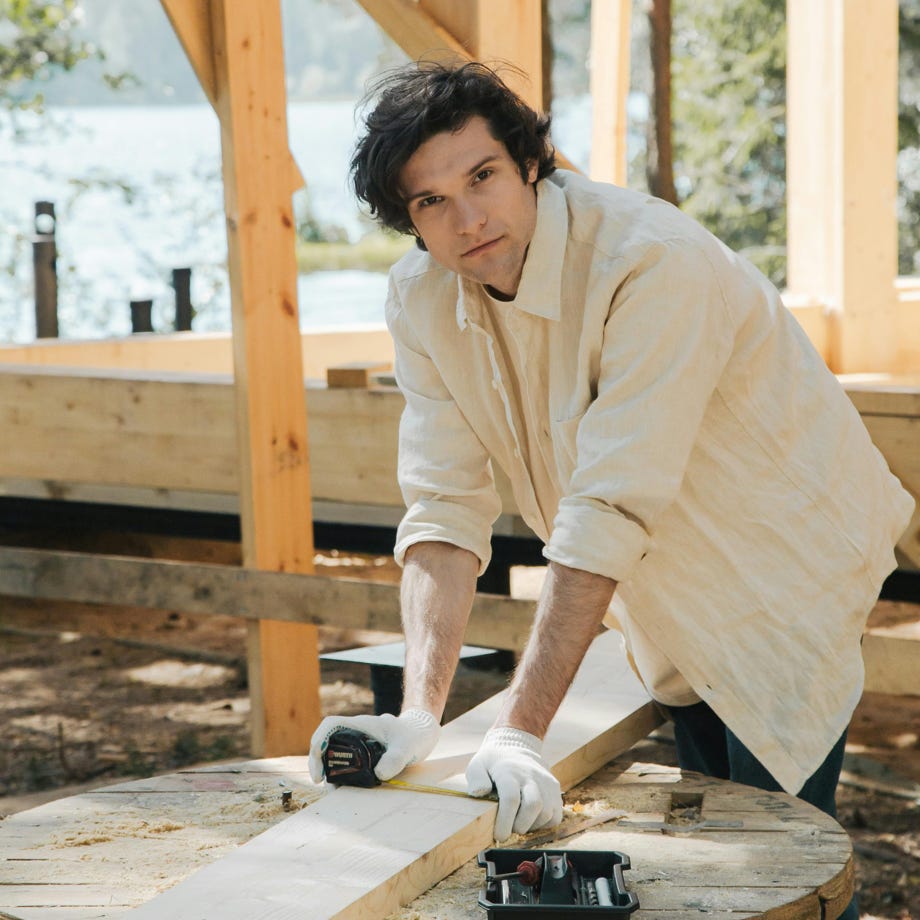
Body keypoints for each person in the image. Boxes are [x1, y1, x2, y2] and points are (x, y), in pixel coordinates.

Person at [308, 60, 913, 875]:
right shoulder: (421, 298)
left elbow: (607, 508)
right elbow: (444, 507)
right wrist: (419, 716)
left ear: (530, 162)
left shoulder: (650, 260)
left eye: (482, 175)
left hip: (784, 561)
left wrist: (521, 732)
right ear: (410, 221)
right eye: (431, 201)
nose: (467, 218)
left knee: (779, 862)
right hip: (659, 583)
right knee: (712, 846)